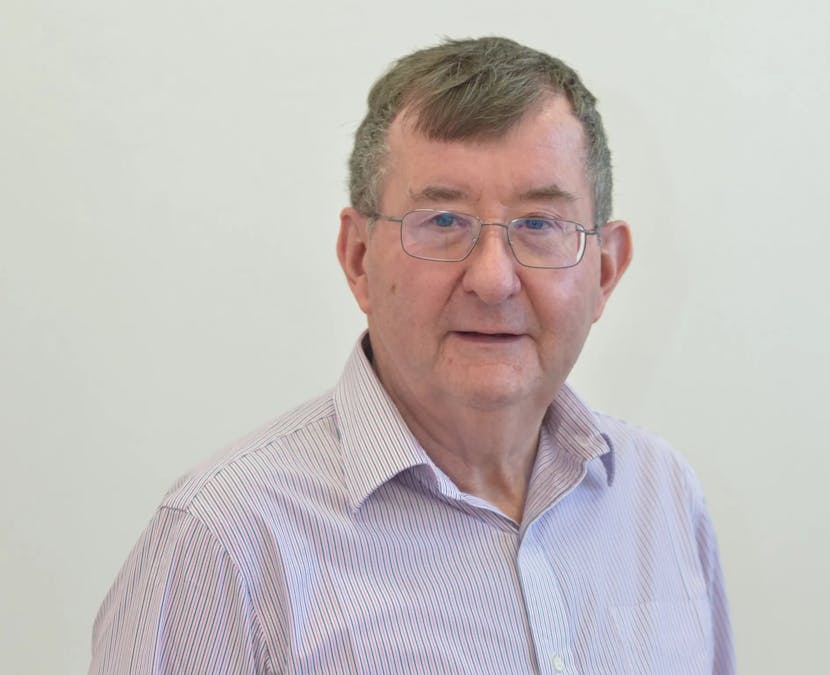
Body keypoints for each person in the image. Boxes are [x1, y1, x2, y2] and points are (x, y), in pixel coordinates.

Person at [90, 37, 734, 674]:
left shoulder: (662, 497)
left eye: (540, 224)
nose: (493, 280)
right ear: (358, 258)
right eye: (443, 221)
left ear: (606, 270)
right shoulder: (222, 541)